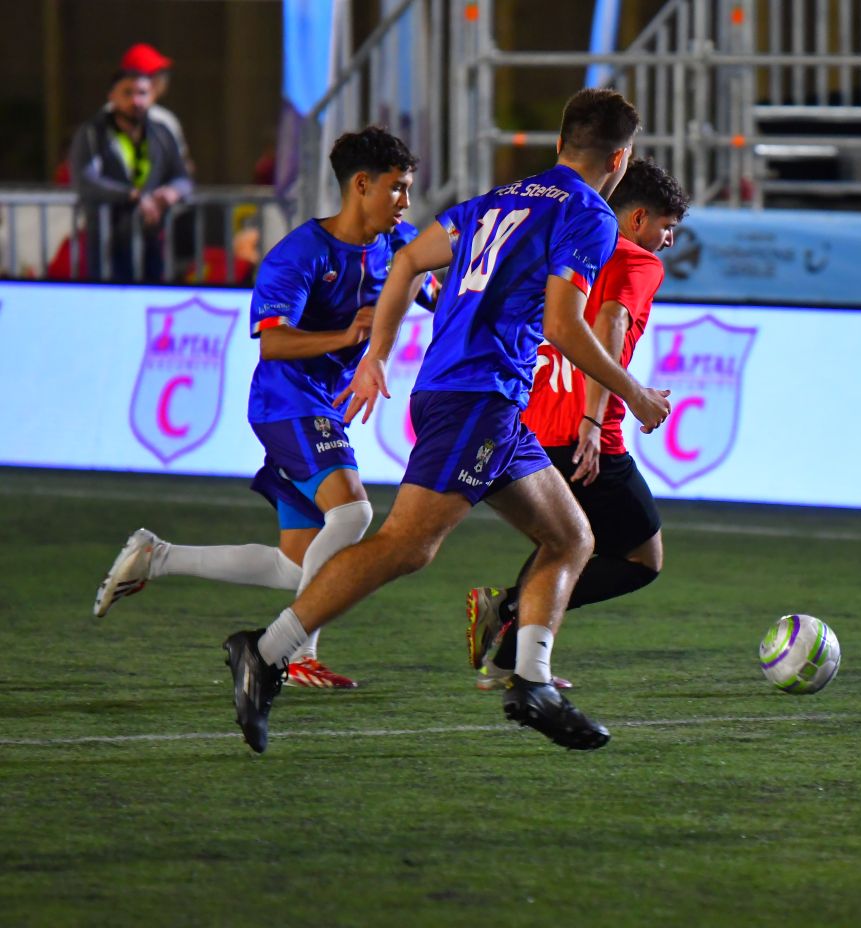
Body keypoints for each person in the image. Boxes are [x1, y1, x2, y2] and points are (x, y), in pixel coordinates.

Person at [220, 88, 672, 754]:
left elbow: (408, 260)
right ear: (620, 158)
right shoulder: (588, 214)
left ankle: (532, 683)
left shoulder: (496, 199)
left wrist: (378, 354)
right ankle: (265, 650)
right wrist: (634, 394)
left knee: (571, 536)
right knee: (408, 545)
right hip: (476, 396)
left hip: (476, 396)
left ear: (559, 144)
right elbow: (562, 324)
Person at [94, 126, 436, 690]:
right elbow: (273, 343)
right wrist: (348, 335)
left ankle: (156, 556)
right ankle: (296, 653)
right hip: (287, 401)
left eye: (408, 188)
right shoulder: (300, 254)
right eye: (397, 187)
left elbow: (438, 295)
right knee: (352, 514)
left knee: (296, 566)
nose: (405, 201)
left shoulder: (400, 245)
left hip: (323, 406)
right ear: (361, 185)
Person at [466, 157, 689, 692]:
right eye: (666, 227)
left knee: (565, 540)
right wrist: (592, 419)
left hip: (529, 425)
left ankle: (510, 656)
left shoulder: (572, 243)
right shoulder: (638, 261)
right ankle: (510, 612)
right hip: (587, 435)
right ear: (637, 219)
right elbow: (610, 322)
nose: (668, 241)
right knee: (640, 558)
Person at [70, 70, 191, 282]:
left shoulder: (161, 133)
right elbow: (85, 181)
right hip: (107, 239)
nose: (135, 101)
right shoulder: (92, 133)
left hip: (152, 238)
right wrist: (132, 196)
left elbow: (182, 176)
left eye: (142, 93)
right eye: (127, 93)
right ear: (112, 96)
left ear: (152, 96)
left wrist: (173, 191)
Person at [119, 43, 193, 175]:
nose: (164, 79)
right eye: (158, 73)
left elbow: (182, 168)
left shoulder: (163, 117)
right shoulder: (105, 120)